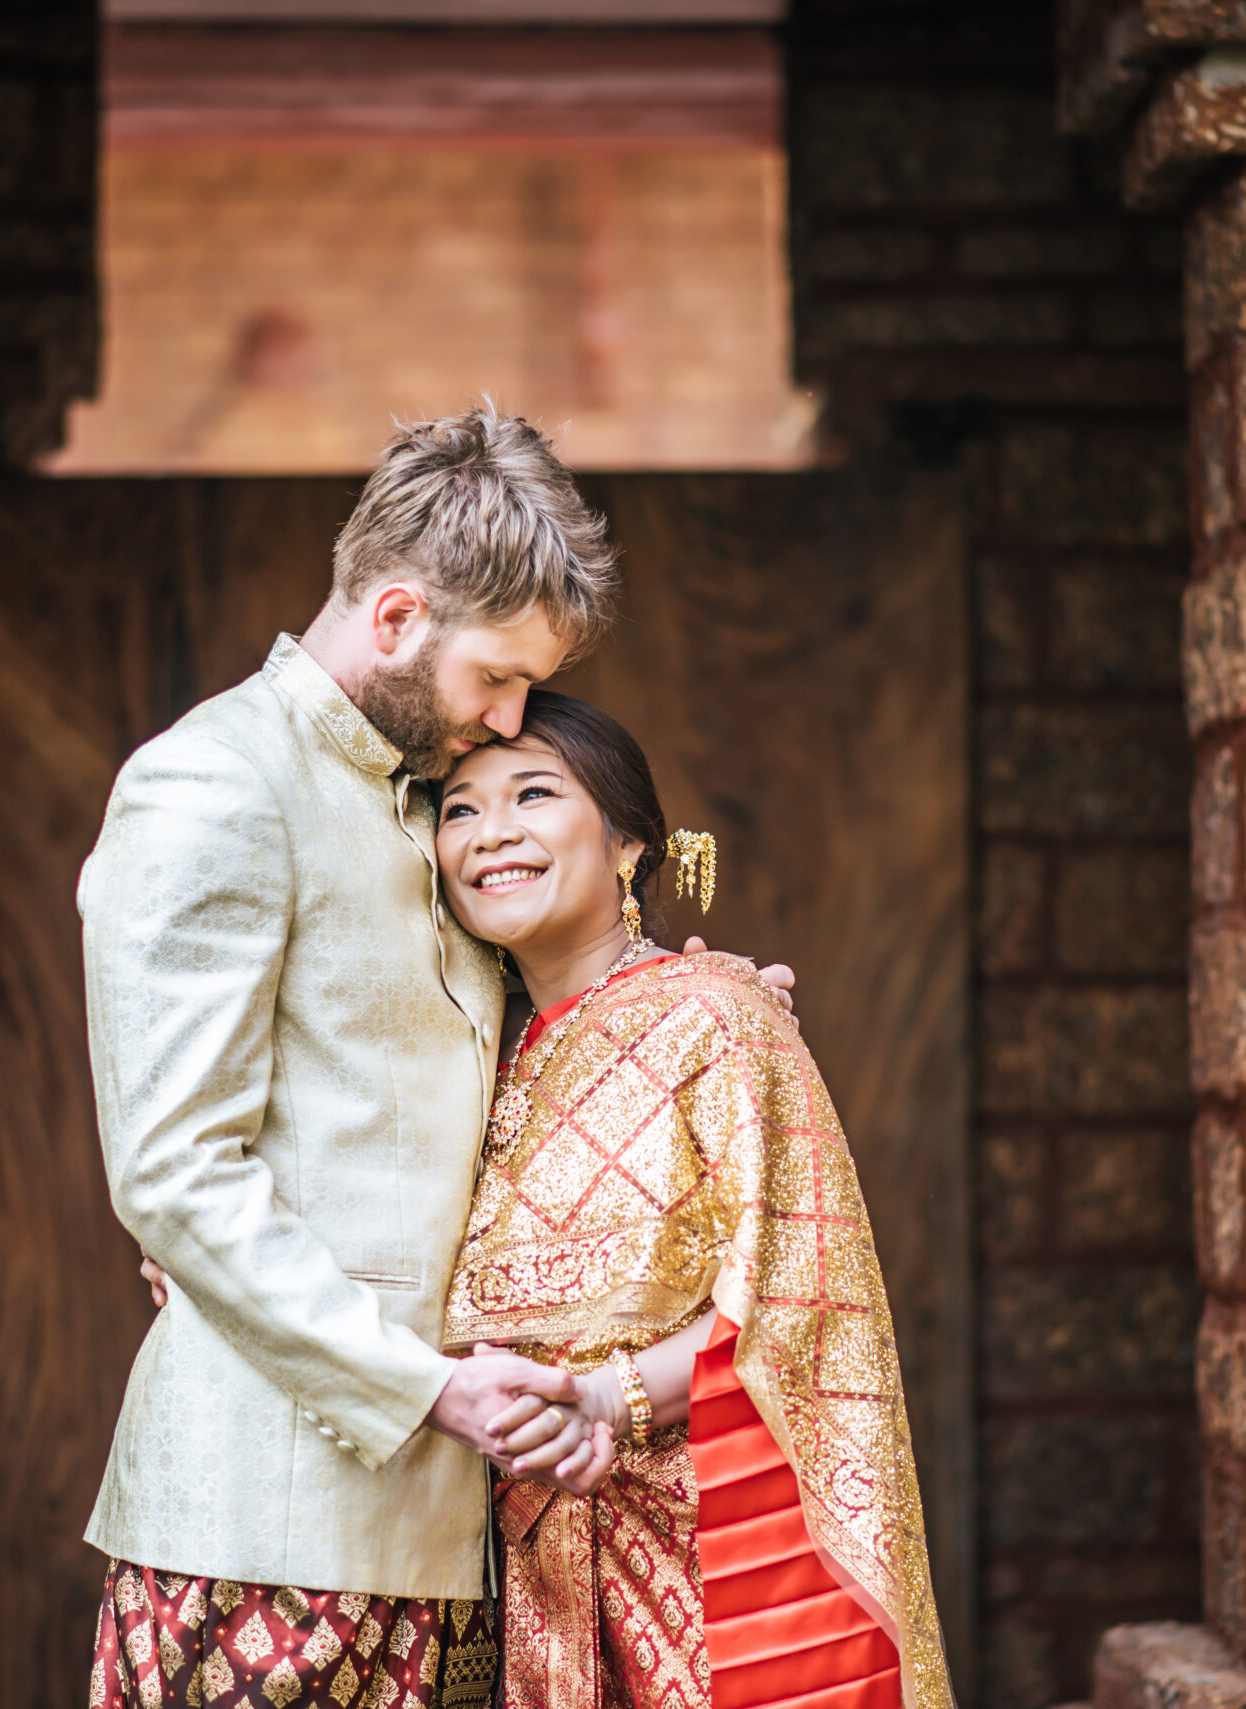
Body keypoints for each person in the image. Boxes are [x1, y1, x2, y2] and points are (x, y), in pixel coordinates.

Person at [80, 408, 789, 1709]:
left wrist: (698, 1003)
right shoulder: (216, 785)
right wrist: (428, 1389)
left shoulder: (422, 803)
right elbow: (176, 1173)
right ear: (399, 618)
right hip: (262, 1533)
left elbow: (513, 1076)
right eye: (498, 678)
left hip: (451, 1546)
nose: (510, 718)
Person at [431, 691, 951, 1709]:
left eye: (532, 793)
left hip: (697, 1569)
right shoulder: (460, 1062)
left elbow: (795, 1307)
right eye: (457, 808)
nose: (491, 831)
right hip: (506, 1578)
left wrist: (599, 1397)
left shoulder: (717, 1018)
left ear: (627, 843)